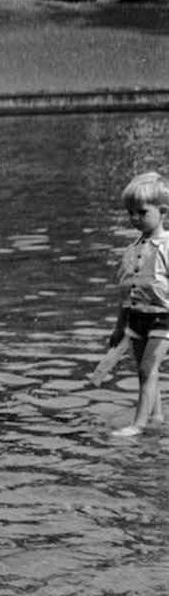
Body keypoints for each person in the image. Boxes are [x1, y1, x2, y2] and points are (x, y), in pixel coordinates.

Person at [93, 170, 169, 437]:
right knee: (146, 370)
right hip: (137, 318)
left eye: (142, 212)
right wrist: (119, 327)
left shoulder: (167, 246)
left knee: (148, 368)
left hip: (163, 318)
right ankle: (157, 416)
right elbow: (125, 295)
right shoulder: (132, 249)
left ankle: (138, 425)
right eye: (131, 213)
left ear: (163, 212)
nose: (134, 218)